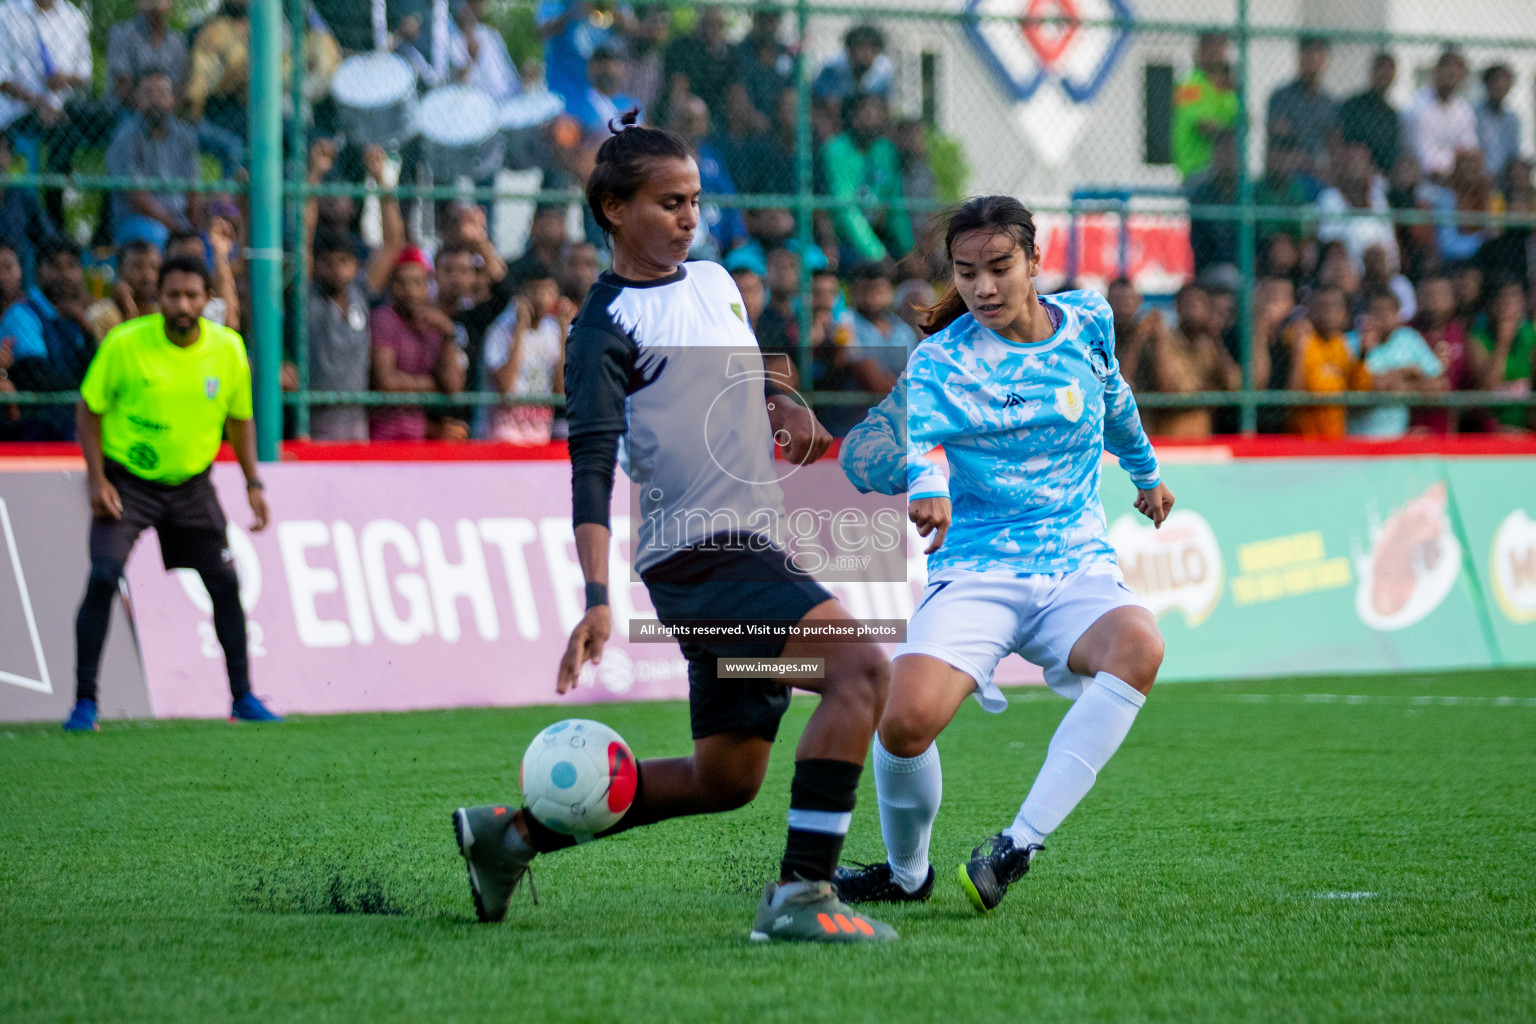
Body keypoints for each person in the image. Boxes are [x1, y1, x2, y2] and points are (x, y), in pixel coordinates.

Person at [449, 111, 897, 944]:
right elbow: (589, 470)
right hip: (702, 562)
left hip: (751, 547)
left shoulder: (719, 282)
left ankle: (508, 839)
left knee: (725, 777)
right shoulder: (601, 331)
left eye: (694, 201)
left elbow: (746, 378)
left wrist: (779, 406)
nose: (690, 217)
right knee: (863, 671)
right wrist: (594, 596)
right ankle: (803, 898)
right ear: (614, 209)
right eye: (669, 203)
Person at [833, 195, 1174, 913]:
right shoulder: (942, 358)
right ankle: (906, 874)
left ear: (1033, 261)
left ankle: (1017, 844)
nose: (982, 287)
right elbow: (918, 438)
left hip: (1076, 564)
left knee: (1140, 646)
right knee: (902, 721)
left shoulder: (1089, 320)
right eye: (965, 273)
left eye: (998, 267)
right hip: (978, 570)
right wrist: (926, 486)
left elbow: (1114, 399)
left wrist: (1145, 473)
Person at [63, 254, 279, 732]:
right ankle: (84, 704)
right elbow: (89, 410)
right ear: (157, 298)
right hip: (128, 484)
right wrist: (97, 480)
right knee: (103, 575)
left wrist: (253, 482)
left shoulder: (228, 350)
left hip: (191, 487)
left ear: (207, 300)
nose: (182, 305)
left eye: (191, 296)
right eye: (173, 295)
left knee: (225, 584)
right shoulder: (125, 344)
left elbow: (240, 419)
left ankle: (243, 697)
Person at [368, 247, 467, 441]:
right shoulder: (383, 319)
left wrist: (447, 334)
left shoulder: (433, 323)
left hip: (418, 437)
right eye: (402, 283)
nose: (411, 292)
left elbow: (453, 387)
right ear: (392, 285)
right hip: (383, 435)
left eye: (418, 283)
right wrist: (432, 385)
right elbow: (387, 382)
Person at [0, 235, 92, 438]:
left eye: (71, 266)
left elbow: (95, 368)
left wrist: (87, 330)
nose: (65, 275)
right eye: (55, 266)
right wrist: (88, 386)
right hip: (33, 428)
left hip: (69, 424)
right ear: (39, 272)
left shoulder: (77, 318)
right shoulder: (21, 314)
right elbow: (42, 380)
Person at [106, 70, 203, 249]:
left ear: (172, 99)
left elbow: (194, 188)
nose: (155, 100)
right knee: (159, 238)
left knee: (209, 239)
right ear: (137, 99)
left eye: (162, 94)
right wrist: (174, 226)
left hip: (181, 219)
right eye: (148, 93)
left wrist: (193, 224)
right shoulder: (125, 137)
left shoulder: (185, 135)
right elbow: (136, 197)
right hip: (139, 220)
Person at [483, 260, 568, 443]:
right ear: (520, 294)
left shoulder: (552, 330)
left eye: (548, 291)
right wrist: (521, 328)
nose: (543, 298)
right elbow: (505, 388)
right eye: (535, 291)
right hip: (504, 436)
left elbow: (561, 390)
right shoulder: (499, 330)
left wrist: (563, 334)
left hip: (541, 435)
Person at [824, 93, 912, 267]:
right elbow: (846, 210)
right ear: (851, 117)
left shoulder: (885, 150)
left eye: (876, 111)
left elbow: (896, 207)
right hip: (845, 238)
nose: (871, 117)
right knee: (868, 267)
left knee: (914, 266)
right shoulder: (836, 150)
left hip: (881, 233)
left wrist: (909, 251)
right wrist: (877, 255)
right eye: (864, 112)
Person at [1345, 289, 1445, 439]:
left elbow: (1439, 385)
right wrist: (1404, 373)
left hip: (1396, 440)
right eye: (1377, 310)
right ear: (1366, 314)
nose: (1384, 315)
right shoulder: (1349, 342)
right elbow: (1361, 388)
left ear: (1399, 314)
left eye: (1390, 310)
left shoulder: (1409, 338)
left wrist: (1402, 387)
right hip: (1355, 439)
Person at [1288, 284, 1371, 439]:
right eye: (1321, 306)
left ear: (1345, 314)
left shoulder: (1341, 345)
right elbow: (1294, 395)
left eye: (1334, 307)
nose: (1327, 312)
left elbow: (1358, 392)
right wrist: (1299, 351)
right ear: (1309, 311)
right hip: (1302, 439)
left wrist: (1363, 355)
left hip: (1335, 439)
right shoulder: (1299, 337)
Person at [1467, 279, 1536, 431]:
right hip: (1492, 430)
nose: (1507, 306)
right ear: (1490, 305)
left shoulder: (1531, 334)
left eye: (1514, 299)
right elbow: (1489, 388)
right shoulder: (1477, 338)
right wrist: (1503, 344)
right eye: (1502, 300)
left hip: (1528, 428)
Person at [1266, 37, 1337, 183]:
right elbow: (1280, 135)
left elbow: (1332, 143)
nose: (1312, 59)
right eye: (1307, 53)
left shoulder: (1328, 102)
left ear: (1325, 60)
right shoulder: (1282, 96)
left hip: (1318, 172)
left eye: (1317, 54)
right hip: (1287, 172)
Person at [1406, 50, 1477, 185]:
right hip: (1422, 180)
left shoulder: (1464, 109)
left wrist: (1456, 171)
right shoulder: (1418, 105)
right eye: (1447, 71)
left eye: (1456, 72)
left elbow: (1469, 149)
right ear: (1435, 72)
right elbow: (1423, 155)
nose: (1451, 76)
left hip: (1456, 179)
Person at [1172, 33, 1238, 180]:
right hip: (1197, 170)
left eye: (1221, 52)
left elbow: (1244, 119)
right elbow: (1204, 125)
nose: (1218, 59)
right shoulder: (1188, 85)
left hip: (1227, 169)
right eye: (1213, 52)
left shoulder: (1227, 88)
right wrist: (1231, 130)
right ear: (1201, 53)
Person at [107, 0, 187, 108]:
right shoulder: (122, 33)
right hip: (126, 112)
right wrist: (150, 101)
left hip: (166, 113)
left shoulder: (177, 41)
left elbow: (178, 87)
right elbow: (122, 87)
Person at [1339, 52, 1402, 175]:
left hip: (1382, 175)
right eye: (1381, 67)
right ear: (1372, 71)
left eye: (1390, 68)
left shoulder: (1391, 115)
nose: (1385, 73)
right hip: (1353, 172)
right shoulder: (1353, 105)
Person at [449, 0, 520, 102]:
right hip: (475, 102)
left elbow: (508, 72)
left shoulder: (490, 34)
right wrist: (472, 58)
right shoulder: (454, 42)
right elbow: (460, 80)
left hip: (505, 99)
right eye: (471, 5)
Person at [813, 23, 893, 108]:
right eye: (859, 47)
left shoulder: (884, 70)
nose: (864, 54)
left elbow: (885, 103)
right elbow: (823, 99)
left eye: (869, 49)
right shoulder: (833, 67)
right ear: (850, 50)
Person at [1475, 64, 1520, 181]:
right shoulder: (1474, 113)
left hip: (1504, 177)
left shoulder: (1512, 119)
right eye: (1496, 80)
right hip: (1478, 176)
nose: (1500, 85)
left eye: (1506, 81)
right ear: (1487, 83)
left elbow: (1513, 153)